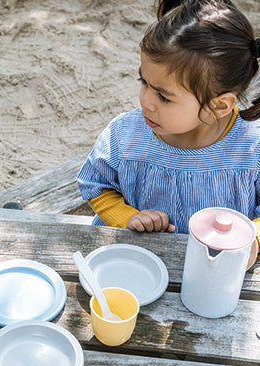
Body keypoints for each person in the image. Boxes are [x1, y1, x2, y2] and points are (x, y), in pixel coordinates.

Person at [77, 0, 260, 268]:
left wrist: (252, 239)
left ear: (218, 106)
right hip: (137, 264)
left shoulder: (251, 146)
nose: (145, 101)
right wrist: (127, 217)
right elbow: (96, 186)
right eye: (144, 82)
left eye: (163, 96)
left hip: (217, 273)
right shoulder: (125, 136)